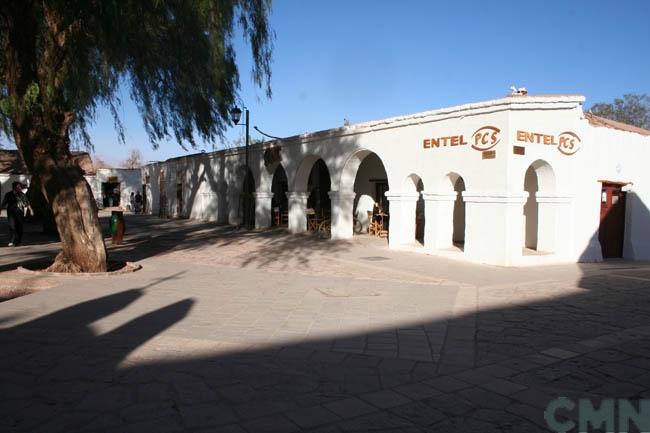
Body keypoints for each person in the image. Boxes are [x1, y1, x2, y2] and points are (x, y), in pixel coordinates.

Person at [1, 182, 32, 247]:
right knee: (12, 226)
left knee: (19, 227)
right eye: (18, 187)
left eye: (20, 187)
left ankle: (19, 241)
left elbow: (26, 202)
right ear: (14, 188)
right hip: (11, 213)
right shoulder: (8, 194)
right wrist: (0, 209)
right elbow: (4, 203)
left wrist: (31, 210)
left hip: (19, 213)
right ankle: (12, 241)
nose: (20, 188)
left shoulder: (22, 194)